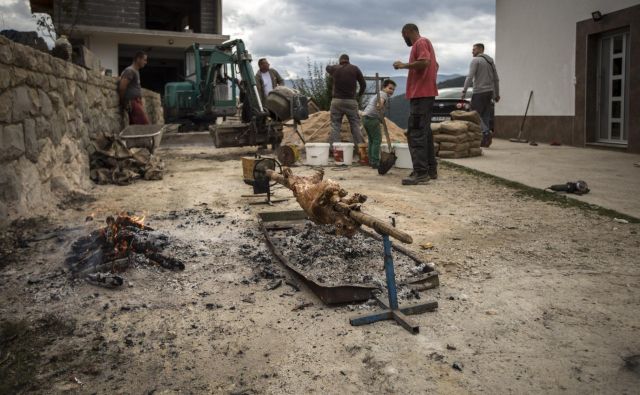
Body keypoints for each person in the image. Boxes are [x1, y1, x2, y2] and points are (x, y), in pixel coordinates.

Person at [393, 23, 439, 185]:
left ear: (407, 32)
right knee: (425, 133)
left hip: (420, 96)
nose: (404, 39)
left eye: (403, 35)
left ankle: (420, 173)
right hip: (427, 94)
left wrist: (404, 65)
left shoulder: (420, 43)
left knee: (416, 133)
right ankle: (430, 169)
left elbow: (425, 62)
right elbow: (434, 65)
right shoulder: (427, 44)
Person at [462, 43, 500, 147]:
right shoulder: (490, 61)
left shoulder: (476, 60)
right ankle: (485, 141)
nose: (472, 51)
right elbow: (496, 79)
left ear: (480, 49)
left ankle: (486, 132)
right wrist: (497, 94)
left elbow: (470, 76)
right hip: (489, 92)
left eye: (474, 49)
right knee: (485, 116)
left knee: (475, 114)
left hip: (479, 92)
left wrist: (464, 91)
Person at [326, 54, 367, 149]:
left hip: (336, 101)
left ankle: (335, 150)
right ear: (348, 60)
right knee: (355, 125)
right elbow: (363, 84)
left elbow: (327, 68)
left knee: (335, 126)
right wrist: (359, 95)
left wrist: (336, 67)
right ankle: (361, 149)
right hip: (351, 101)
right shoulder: (355, 69)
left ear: (340, 61)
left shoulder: (335, 68)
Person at [362, 79, 397, 169]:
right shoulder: (383, 95)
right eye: (390, 88)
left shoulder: (379, 94)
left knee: (372, 140)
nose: (391, 91)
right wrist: (380, 105)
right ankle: (375, 161)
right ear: (384, 88)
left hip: (365, 117)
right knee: (377, 140)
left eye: (393, 89)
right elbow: (379, 104)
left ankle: (371, 160)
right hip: (372, 118)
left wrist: (381, 118)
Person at [118, 51, 150, 125]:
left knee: (135, 126)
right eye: (144, 60)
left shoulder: (136, 71)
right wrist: (123, 102)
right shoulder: (130, 71)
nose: (146, 62)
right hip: (133, 102)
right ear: (138, 59)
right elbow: (122, 87)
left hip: (137, 102)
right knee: (145, 125)